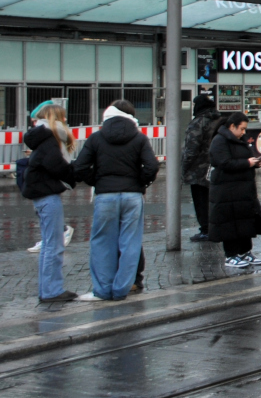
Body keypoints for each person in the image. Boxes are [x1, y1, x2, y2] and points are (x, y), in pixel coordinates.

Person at [73, 100, 159, 301]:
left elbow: (79, 168)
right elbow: (152, 167)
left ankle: (103, 290)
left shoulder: (96, 138)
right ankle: (122, 289)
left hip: (105, 195)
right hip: (132, 195)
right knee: (130, 242)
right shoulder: (139, 138)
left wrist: (97, 181)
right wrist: (140, 183)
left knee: (103, 242)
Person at [23, 102, 78, 303]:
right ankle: (51, 291)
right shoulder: (51, 140)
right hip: (47, 195)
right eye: (63, 116)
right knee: (53, 245)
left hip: (42, 195)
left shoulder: (43, 138)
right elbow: (57, 166)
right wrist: (74, 174)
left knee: (49, 244)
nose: (65, 120)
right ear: (56, 118)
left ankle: (49, 289)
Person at [207, 111, 261, 268]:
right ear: (232, 126)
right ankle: (231, 255)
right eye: (241, 129)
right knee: (229, 222)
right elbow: (224, 163)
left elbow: (242, 158)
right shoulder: (220, 140)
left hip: (243, 190)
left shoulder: (239, 140)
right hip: (226, 190)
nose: (244, 132)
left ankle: (245, 251)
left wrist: (254, 163)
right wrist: (247, 163)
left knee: (245, 220)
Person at [180, 94, 221, 242]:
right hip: (217, 167)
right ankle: (215, 228)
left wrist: (183, 169)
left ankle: (205, 230)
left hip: (199, 170)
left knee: (201, 201)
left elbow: (191, 149)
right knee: (214, 200)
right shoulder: (220, 121)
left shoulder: (198, 122)